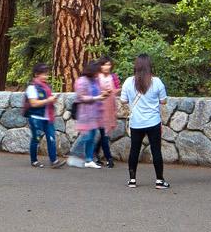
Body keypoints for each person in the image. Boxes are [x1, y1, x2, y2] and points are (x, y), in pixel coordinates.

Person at [118, 54, 168, 189]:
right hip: (153, 122)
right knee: (156, 151)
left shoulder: (129, 82)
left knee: (134, 150)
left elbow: (123, 100)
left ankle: (132, 180)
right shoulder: (156, 82)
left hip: (136, 123)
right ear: (149, 66)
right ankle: (159, 181)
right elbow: (163, 101)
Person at [25, 65, 64, 168]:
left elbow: (47, 101)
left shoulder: (47, 87)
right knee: (36, 139)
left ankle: (54, 161)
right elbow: (33, 103)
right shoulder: (32, 87)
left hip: (47, 117)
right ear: (36, 74)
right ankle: (34, 160)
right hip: (36, 117)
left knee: (51, 138)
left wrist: (53, 99)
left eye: (47, 74)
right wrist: (48, 100)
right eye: (44, 74)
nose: (46, 76)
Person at [71, 60, 106, 169]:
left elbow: (97, 93)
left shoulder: (94, 81)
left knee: (92, 137)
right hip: (85, 114)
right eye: (97, 71)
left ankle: (89, 159)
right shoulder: (82, 81)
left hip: (94, 114)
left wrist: (103, 94)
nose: (98, 74)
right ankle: (73, 154)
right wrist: (97, 98)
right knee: (86, 136)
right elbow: (81, 97)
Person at [95, 58, 121, 168]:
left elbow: (117, 89)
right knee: (104, 133)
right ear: (100, 66)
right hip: (100, 107)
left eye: (109, 64)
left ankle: (95, 153)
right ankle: (108, 158)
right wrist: (103, 92)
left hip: (110, 107)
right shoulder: (96, 77)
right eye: (104, 65)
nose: (107, 67)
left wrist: (116, 90)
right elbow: (93, 91)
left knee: (104, 133)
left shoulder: (113, 77)